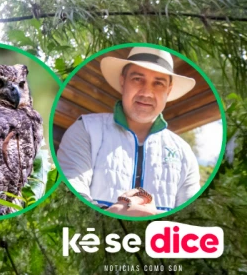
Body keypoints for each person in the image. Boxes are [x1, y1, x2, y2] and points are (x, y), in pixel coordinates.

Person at [57, 46, 201, 217]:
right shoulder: (86, 130)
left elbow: (190, 217)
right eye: (137, 79)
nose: (147, 92)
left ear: (168, 90)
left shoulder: (184, 153)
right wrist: (110, 214)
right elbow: (70, 192)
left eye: (158, 83)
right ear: (123, 81)